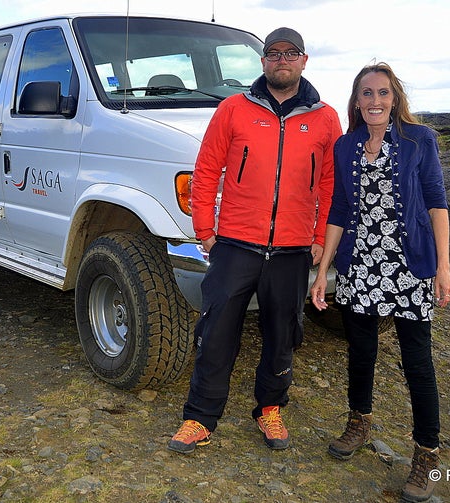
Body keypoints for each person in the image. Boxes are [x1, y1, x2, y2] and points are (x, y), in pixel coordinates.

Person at [168, 27, 341, 454]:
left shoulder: (325, 117)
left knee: (283, 334)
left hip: (292, 249)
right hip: (235, 245)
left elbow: (332, 182)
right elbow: (206, 170)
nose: (282, 60)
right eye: (274, 53)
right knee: (217, 331)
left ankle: (270, 409)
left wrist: (319, 237)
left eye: (291, 53)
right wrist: (205, 231)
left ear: (304, 60)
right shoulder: (233, 109)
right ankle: (199, 417)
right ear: (263, 62)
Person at [309, 62, 450, 502]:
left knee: (417, 362)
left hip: (409, 266)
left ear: (395, 99)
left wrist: (443, 268)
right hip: (361, 266)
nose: (375, 101)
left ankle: (425, 454)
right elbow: (337, 209)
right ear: (356, 101)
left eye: (383, 93)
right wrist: (323, 271)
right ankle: (358, 423)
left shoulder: (418, 140)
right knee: (361, 352)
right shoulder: (346, 145)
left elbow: (436, 203)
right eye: (366, 94)